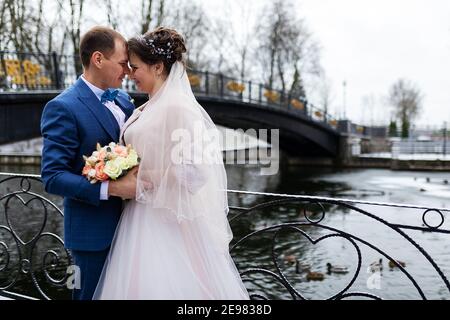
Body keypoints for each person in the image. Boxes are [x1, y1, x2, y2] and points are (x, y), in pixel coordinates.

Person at [93, 27, 249, 299]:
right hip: (137, 215)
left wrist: (141, 177)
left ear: (157, 66)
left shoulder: (178, 107)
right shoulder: (144, 107)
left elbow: (195, 173)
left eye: (136, 67)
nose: (130, 74)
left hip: (167, 220)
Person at [40, 26, 137, 300]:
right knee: (84, 296)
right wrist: (111, 190)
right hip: (90, 237)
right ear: (98, 59)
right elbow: (52, 176)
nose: (127, 71)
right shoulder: (62, 107)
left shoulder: (123, 101)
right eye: (122, 63)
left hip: (134, 227)